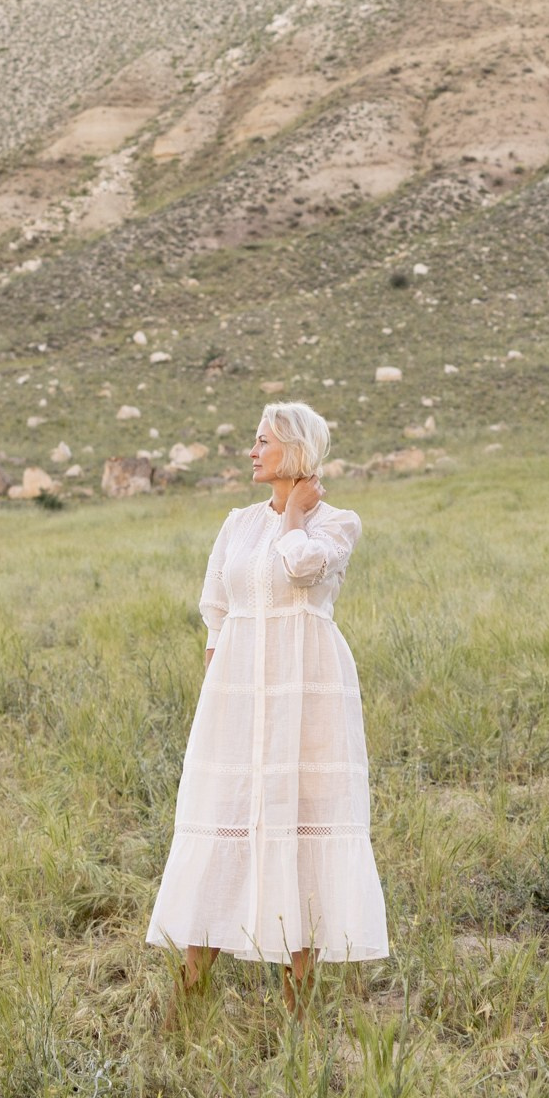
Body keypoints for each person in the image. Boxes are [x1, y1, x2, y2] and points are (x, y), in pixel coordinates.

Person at [145, 400, 388, 1011]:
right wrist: (216, 679)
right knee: (223, 818)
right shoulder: (236, 522)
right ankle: (190, 1002)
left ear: (296, 452)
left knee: (299, 825)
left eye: (262, 442)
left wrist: (294, 519)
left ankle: (298, 1015)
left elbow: (302, 571)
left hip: (306, 691)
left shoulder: (336, 523)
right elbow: (215, 605)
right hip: (238, 692)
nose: (252, 452)